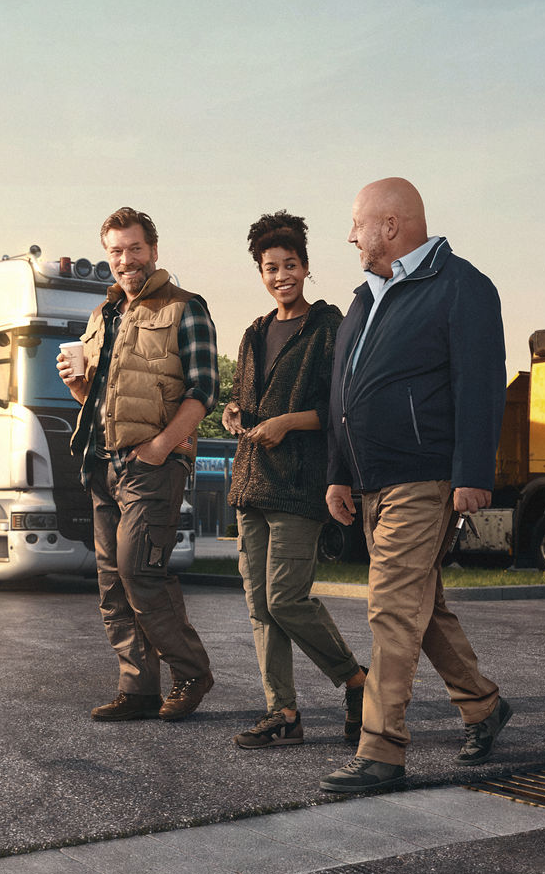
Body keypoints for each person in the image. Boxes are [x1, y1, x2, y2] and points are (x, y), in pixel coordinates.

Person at [318, 178, 511, 793]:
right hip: (372, 479)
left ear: (392, 225)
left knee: (392, 609)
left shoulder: (461, 287)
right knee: (422, 611)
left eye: (358, 224)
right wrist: (338, 473)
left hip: (422, 476)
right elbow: (341, 394)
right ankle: (483, 706)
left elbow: (481, 383)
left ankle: (382, 751)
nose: (350, 236)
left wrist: (474, 474)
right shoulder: (365, 297)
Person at [57, 207, 219, 722]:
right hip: (101, 464)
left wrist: (162, 446)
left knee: (139, 572)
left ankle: (190, 672)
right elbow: (101, 396)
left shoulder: (185, 308)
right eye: (116, 252)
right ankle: (139, 687)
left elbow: (204, 390)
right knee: (110, 581)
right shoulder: (102, 316)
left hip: (152, 466)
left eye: (134, 249)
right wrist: (78, 387)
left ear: (153, 249)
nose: (126, 261)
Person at [220, 211, 368, 749]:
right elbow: (246, 397)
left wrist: (287, 422)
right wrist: (237, 412)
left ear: (306, 267)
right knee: (259, 606)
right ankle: (282, 711)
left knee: (285, 598)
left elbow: (338, 408)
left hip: (300, 485)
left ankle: (356, 681)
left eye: (289, 265)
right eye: (270, 267)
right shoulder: (253, 332)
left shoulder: (327, 328)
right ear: (260, 272)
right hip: (250, 483)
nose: (280, 275)